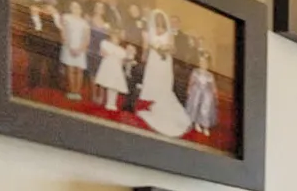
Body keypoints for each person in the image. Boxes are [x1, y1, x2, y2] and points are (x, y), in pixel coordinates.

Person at [136, 10, 194, 138]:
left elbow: (173, 49)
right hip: (153, 61)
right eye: (157, 19)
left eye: (161, 19)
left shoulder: (169, 33)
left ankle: (164, 109)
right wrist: (145, 56)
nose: (159, 21)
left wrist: (165, 49)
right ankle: (156, 106)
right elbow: (146, 48)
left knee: (164, 85)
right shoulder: (150, 31)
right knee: (154, 83)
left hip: (165, 61)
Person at [56, 0, 91, 101]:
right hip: (69, 47)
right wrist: (70, 47)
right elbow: (64, 33)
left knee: (79, 70)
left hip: (80, 48)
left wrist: (80, 49)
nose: (75, 8)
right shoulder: (66, 17)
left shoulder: (85, 22)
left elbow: (87, 38)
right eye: (73, 6)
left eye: (77, 6)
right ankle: (72, 91)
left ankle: (77, 92)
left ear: (81, 9)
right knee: (70, 69)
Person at [92, 27, 133, 110]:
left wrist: (129, 54)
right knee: (107, 84)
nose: (116, 40)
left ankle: (112, 103)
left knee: (114, 87)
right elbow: (103, 53)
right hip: (108, 68)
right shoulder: (105, 44)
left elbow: (123, 61)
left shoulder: (121, 50)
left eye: (117, 38)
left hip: (116, 70)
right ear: (111, 37)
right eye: (114, 37)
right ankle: (103, 100)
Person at [185, 51, 217, 137]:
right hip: (196, 92)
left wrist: (214, 93)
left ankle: (205, 126)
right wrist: (189, 89)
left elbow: (213, 85)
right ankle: (194, 123)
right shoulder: (196, 71)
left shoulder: (210, 75)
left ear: (208, 65)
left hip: (206, 94)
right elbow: (191, 81)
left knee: (204, 109)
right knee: (194, 106)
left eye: (205, 63)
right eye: (201, 62)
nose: (203, 64)